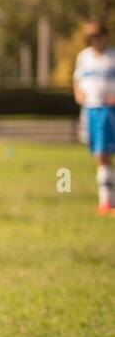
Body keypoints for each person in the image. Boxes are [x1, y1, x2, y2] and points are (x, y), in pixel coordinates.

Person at [73, 21, 115, 215]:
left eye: (99, 36)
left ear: (105, 36)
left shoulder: (112, 57)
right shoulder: (84, 57)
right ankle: (106, 201)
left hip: (109, 110)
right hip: (91, 110)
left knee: (104, 154)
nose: (96, 40)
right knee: (100, 154)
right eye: (92, 37)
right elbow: (78, 80)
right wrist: (79, 94)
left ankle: (107, 201)